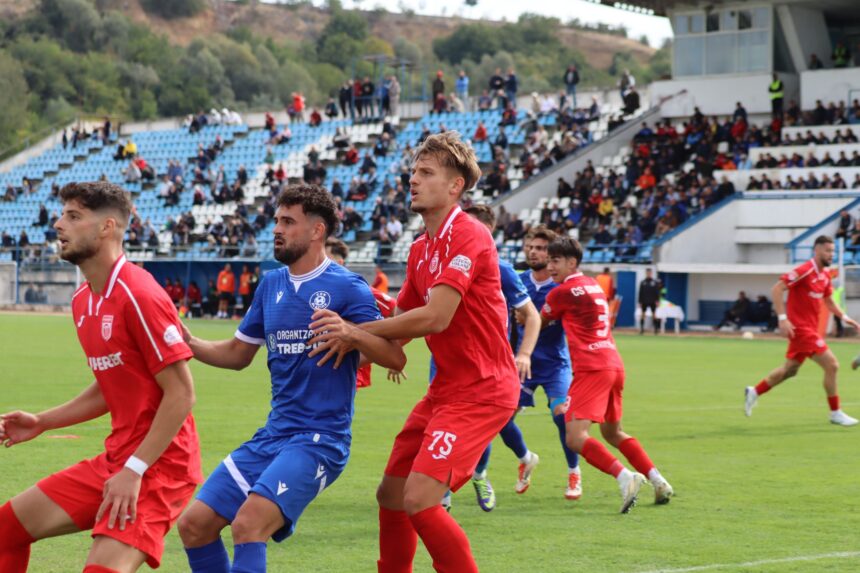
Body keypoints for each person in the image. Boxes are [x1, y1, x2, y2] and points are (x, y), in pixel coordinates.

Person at [311, 132, 519, 572]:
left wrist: (354, 330)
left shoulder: (470, 234)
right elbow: (398, 333)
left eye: (426, 173)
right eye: (413, 172)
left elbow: (434, 318)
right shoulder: (421, 248)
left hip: (484, 389)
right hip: (446, 391)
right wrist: (327, 356)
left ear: (455, 185)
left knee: (421, 499)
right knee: (391, 494)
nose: (413, 180)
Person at [176, 185, 406, 573]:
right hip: (274, 435)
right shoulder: (271, 285)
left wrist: (353, 334)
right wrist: (188, 341)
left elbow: (395, 357)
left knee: (249, 524)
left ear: (317, 231)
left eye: (288, 222)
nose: (276, 229)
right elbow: (237, 354)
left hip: (321, 440)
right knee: (194, 525)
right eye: (276, 220)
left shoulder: (347, 287)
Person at [0, 181, 200, 572]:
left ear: (107, 227)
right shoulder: (83, 299)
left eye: (73, 216)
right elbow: (114, 385)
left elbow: (181, 394)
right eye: (62, 214)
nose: (59, 224)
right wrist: (43, 421)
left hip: (160, 468)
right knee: (5, 531)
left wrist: (134, 470)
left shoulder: (139, 294)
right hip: (119, 460)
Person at [542, 236, 674, 512]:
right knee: (613, 432)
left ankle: (625, 477)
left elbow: (539, 320)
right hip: (613, 363)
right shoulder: (592, 284)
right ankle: (658, 479)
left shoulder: (560, 293)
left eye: (555, 261)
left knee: (575, 437)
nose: (549, 266)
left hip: (591, 367)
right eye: (549, 260)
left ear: (572, 262)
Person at [440, 205, 542, 513]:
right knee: (447, 427)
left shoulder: (501, 269)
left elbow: (531, 316)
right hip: (446, 365)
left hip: (488, 366)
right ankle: (522, 458)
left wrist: (523, 354)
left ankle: (473, 479)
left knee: (480, 427)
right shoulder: (446, 264)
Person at [746, 236, 859, 426]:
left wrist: (845, 317)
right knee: (832, 365)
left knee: (789, 371)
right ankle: (835, 413)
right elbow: (777, 288)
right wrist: (783, 319)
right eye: (827, 251)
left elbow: (830, 302)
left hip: (811, 330)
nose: (831, 254)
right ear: (816, 251)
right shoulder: (805, 271)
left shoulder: (825, 275)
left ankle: (754, 391)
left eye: (832, 251)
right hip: (801, 330)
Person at [515, 226, 582, 500]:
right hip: (522, 364)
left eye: (541, 248)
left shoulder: (563, 287)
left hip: (555, 364)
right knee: (499, 419)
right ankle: (525, 457)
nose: (533, 251)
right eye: (530, 246)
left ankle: (574, 472)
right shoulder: (517, 281)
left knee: (562, 416)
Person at [325, 237, 396, 389]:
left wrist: (388, 355)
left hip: (346, 369)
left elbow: (399, 314)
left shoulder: (358, 291)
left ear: (340, 263)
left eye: (325, 260)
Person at [638, 268, 661, 334]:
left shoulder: (654, 282)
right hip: (644, 301)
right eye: (647, 273)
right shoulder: (643, 282)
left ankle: (656, 330)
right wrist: (640, 301)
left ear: (651, 273)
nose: (648, 274)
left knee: (654, 315)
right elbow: (640, 292)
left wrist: (657, 301)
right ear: (646, 273)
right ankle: (642, 329)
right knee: (643, 315)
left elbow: (657, 292)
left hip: (652, 301)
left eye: (650, 273)